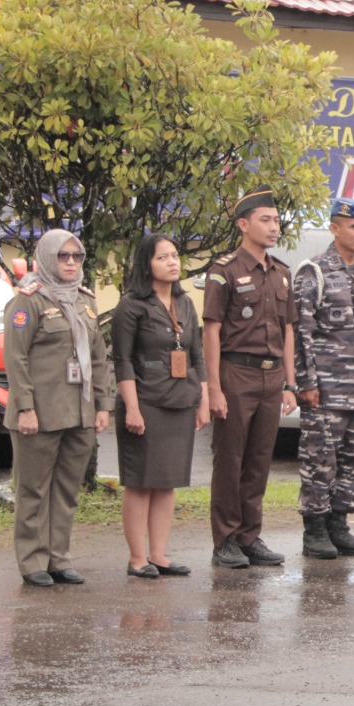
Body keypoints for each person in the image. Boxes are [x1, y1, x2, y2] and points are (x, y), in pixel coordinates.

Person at [3, 229, 113, 586]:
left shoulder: (85, 300)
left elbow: (98, 359)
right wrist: (25, 409)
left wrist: (102, 405)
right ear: (47, 259)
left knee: (66, 489)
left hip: (79, 411)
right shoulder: (28, 301)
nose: (70, 263)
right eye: (62, 256)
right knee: (33, 489)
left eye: (76, 257)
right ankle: (32, 560)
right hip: (40, 412)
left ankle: (58, 557)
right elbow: (15, 358)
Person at [203, 186, 298, 570]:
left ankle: (249, 535)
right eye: (265, 220)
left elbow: (288, 330)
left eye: (275, 220)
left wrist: (290, 383)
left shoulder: (281, 273)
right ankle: (225, 539)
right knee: (231, 459)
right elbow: (210, 330)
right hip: (236, 372)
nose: (273, 227)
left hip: (272, 375)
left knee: (259, 460)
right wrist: (214, 387)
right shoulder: (223, 271)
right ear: (244, 225)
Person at [292, 200, 354, 559]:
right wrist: (306, 383)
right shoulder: (314, 272)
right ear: (335, 229)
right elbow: (301, 331)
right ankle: (314, 530)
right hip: (327, 388)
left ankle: (339, 525)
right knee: (321, 459)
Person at [112, 234, 207, 578]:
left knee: (166, 482)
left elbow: (196, 355)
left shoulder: (185, 303)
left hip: (181, 400)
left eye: (175, 255)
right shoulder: (131, 305)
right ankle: (138, 558)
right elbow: (122, 361)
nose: (172, 262)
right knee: (141, 482)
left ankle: (159, 555)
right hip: (146, 401)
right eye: (162, 257)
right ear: (146, 265)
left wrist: (203, 400)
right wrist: (132, 408)